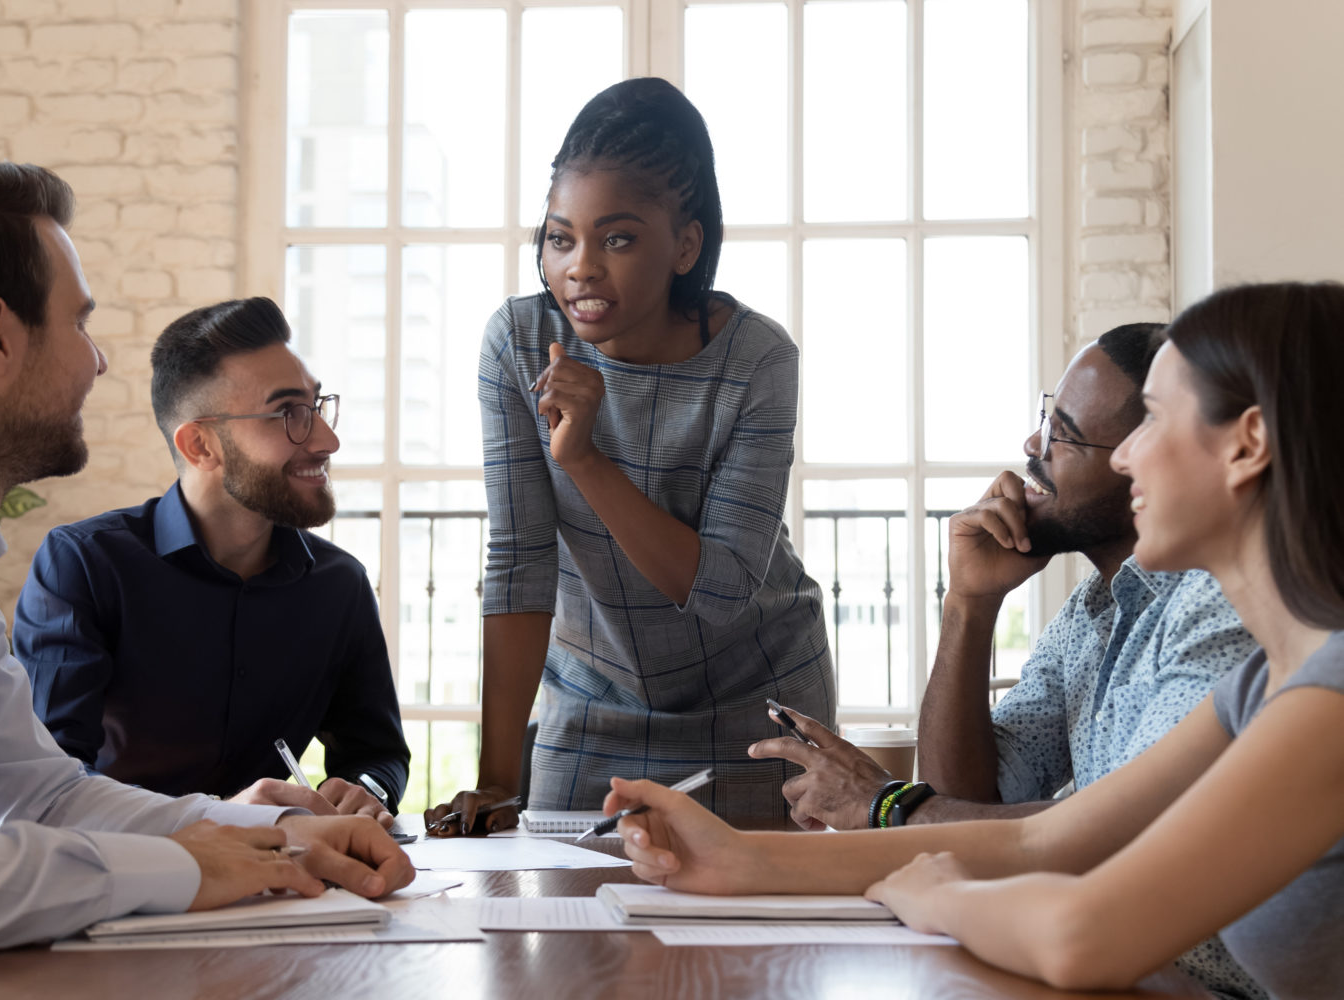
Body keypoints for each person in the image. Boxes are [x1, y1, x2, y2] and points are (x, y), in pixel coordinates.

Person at [607, 282, 1344, 999]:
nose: (1126, 457)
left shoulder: (1330, 699)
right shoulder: (1265, 688)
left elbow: (1082, 933)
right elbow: (1046, 841)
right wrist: (736, 858)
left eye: (1151, 419)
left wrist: (936, 894)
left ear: (1248, 445)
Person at [0, 158, 412, 966]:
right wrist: (181, 865)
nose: (97, 362)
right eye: (79, 323)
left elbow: (38, 795)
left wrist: (277, 830)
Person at [753, 324, 1263, 998]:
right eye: (1045, 420)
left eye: (1065, 434)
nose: (1032, 449)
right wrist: (969, 604)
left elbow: (1109, 844)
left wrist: (885, 807)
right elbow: (977, 800)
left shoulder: (1228, 612)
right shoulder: (1095, 609)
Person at [425, 77, 834, 833]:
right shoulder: (515, 344)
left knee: (745, 944)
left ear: (685, 244)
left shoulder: (757, 359)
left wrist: (585, 460)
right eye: (559, 237)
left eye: (617, 238)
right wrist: (494, 778)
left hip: (758, 698)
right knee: (565, 925)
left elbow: (718, 590)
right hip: (592, 697)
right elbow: (519, 558)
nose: (581, 266)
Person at [13, 297, 410, 824]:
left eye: (316, 406)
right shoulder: (85, 566)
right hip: (127, 881)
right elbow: (49, 780)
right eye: (288, 413)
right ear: (200, 445)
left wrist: (366, 790)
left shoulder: (339, 585)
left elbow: (377, 753)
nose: (326, 439)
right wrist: (216, 817)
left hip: (285, 887)